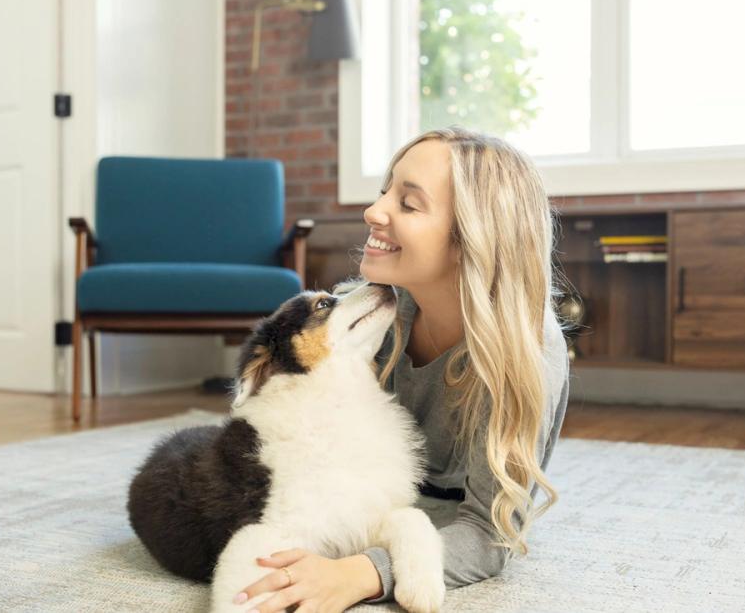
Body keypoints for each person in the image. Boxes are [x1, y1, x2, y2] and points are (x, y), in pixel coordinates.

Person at [232, 125, 571, 613]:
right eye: (383, 191)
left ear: (470, 240)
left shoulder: (526, 350)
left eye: (408, 204)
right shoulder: (372, 314)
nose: (373, 211)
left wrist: (362, 572)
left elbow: (487, 534)